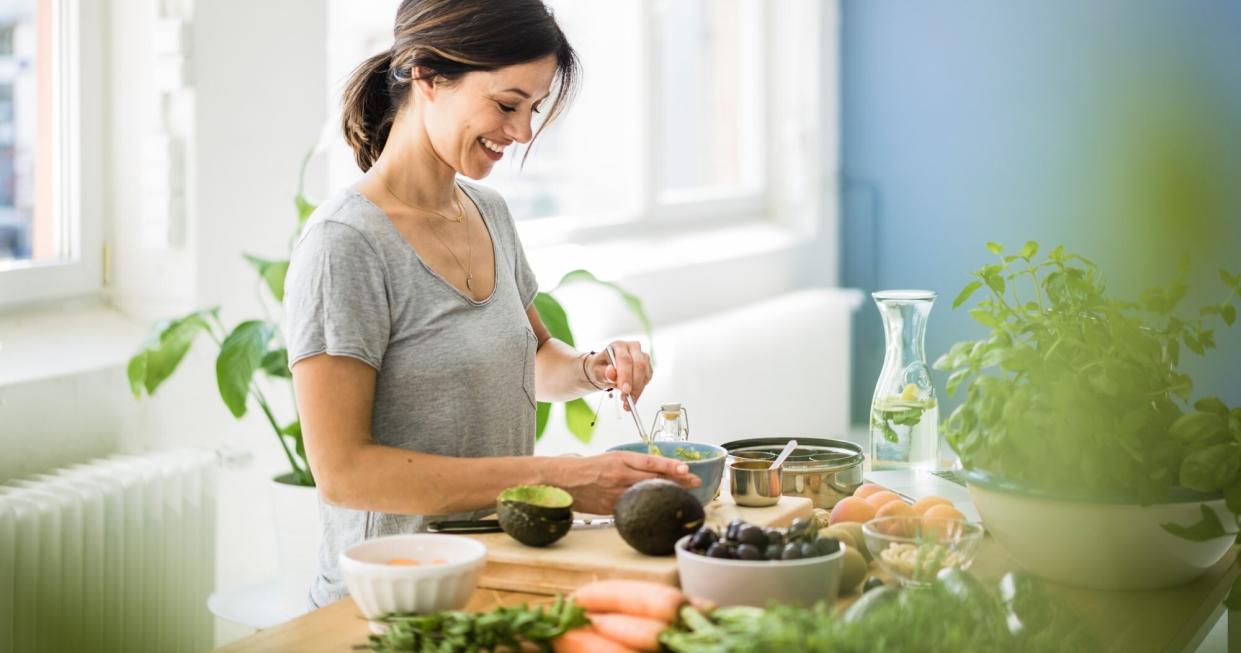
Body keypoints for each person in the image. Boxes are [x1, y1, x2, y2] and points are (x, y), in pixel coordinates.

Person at [285, 0, 699, 608]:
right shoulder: (344, 244)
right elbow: (345, 474)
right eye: (508, 105)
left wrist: (592, 368)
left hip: (495, 567)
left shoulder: (490, 213)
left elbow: (532, 359)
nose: (524, 132)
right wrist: (562, 476)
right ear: (427, 75)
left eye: (533, 109)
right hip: (391, 598)